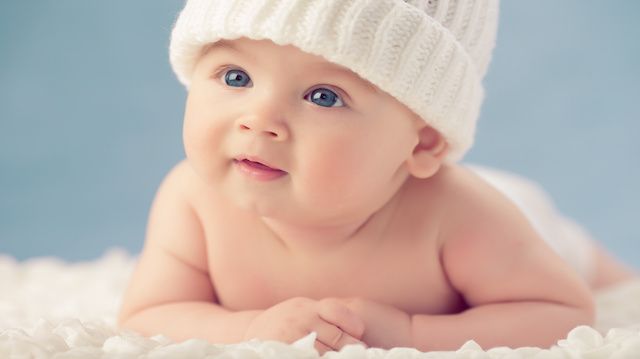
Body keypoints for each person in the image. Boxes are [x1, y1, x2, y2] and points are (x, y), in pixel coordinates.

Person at [117, 0, 636, 353]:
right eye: (236, 77)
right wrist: (246, 328)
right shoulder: (191, 199)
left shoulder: (460, 214)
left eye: (324, 96)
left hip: (521, 212)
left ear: (423, 142)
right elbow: (150, 313)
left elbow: (563, 310)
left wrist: (411, 332)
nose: (258, 120)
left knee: (594, 267)